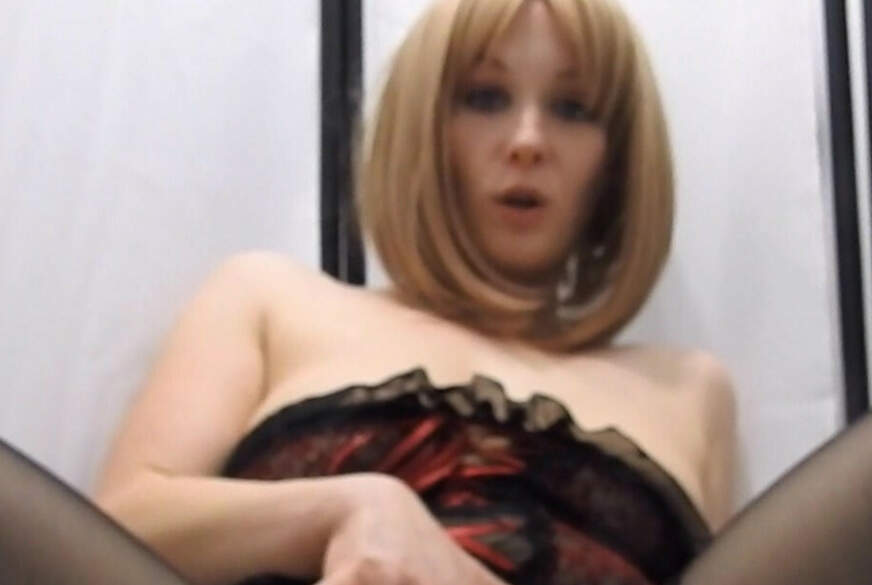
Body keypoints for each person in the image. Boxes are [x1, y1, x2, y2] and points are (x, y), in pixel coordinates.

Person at [94, 1, 736, 584]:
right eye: (485, 98)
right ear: (425, 123)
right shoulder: (269, 300)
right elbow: (112, 532)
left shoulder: (687, 392)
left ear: (618, 159)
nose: (527, 143)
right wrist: (351, 507)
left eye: (572, 109)